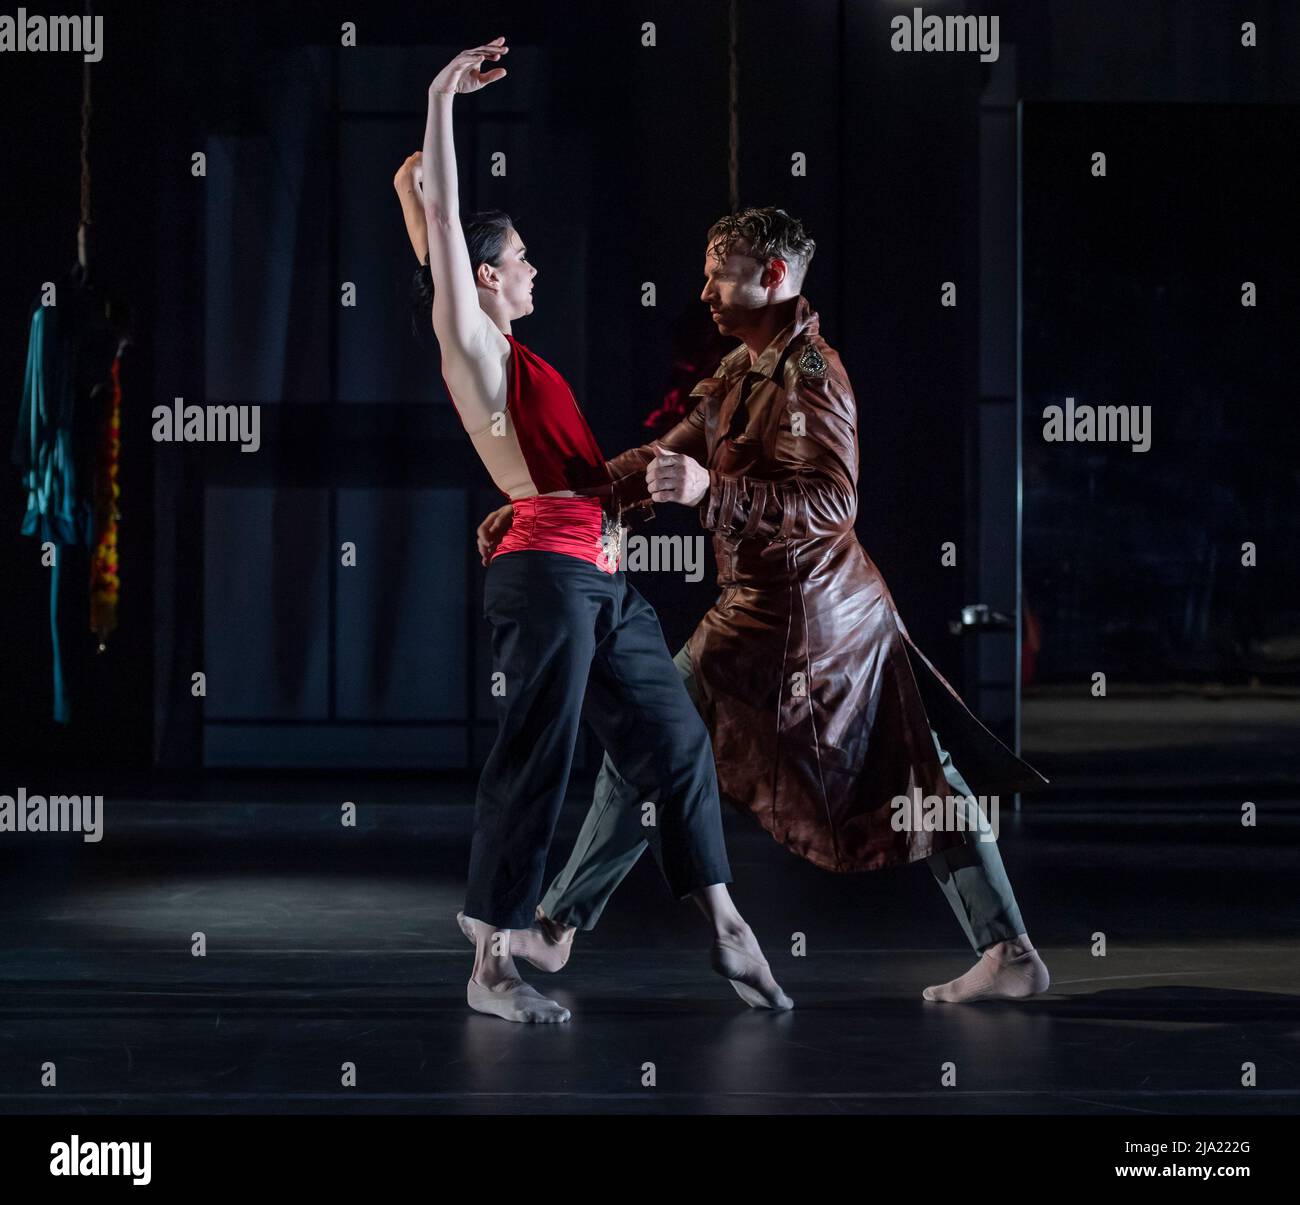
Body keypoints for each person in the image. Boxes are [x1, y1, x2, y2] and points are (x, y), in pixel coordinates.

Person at [476, 207, 1053, 1005]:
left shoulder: (812, 375)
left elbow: (832, 502)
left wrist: (717, 493)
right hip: (772, 613)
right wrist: (550, 507)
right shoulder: (740, 371)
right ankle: (1011, 947)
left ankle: (557, 924)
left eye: (722, 273)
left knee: (892, 772)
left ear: (773, 278)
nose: (705, 289)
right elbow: (659, 458)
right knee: (912, 776)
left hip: (814, 620)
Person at [404, 38, 791, 1024]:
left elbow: (420, 204)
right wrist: (442, 96)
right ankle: (491, 957)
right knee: (541, 751)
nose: (532, 266)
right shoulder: (476, 348)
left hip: (599, 578)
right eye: (519, 257)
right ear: (483, 279)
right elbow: (443, 217)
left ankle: (726, 922)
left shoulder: (510, 349)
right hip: (544, 576)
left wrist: (405, 179)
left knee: (675, 738)